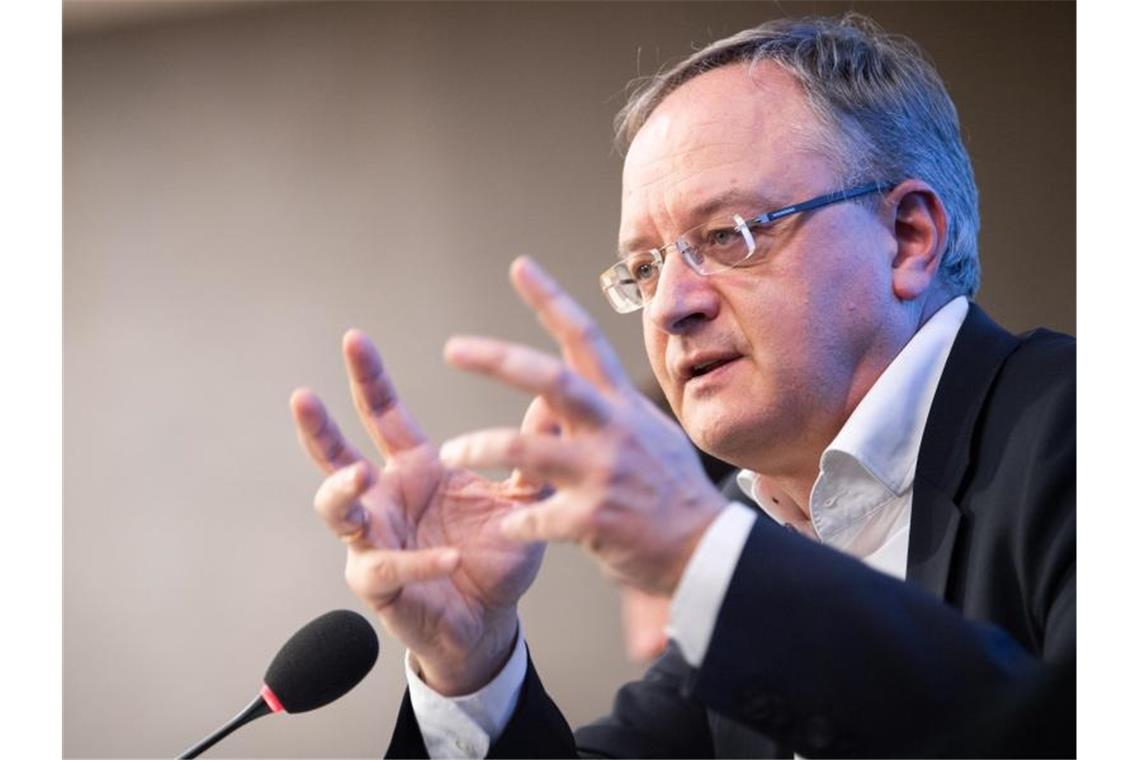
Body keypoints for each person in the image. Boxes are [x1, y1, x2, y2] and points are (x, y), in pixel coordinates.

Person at [289, 13, 1074, 758]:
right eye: (644, 266)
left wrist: (707, 562)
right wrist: (472, 665)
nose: (669, 306)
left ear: (908, 239)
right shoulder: (758, 530)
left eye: (730, 235)